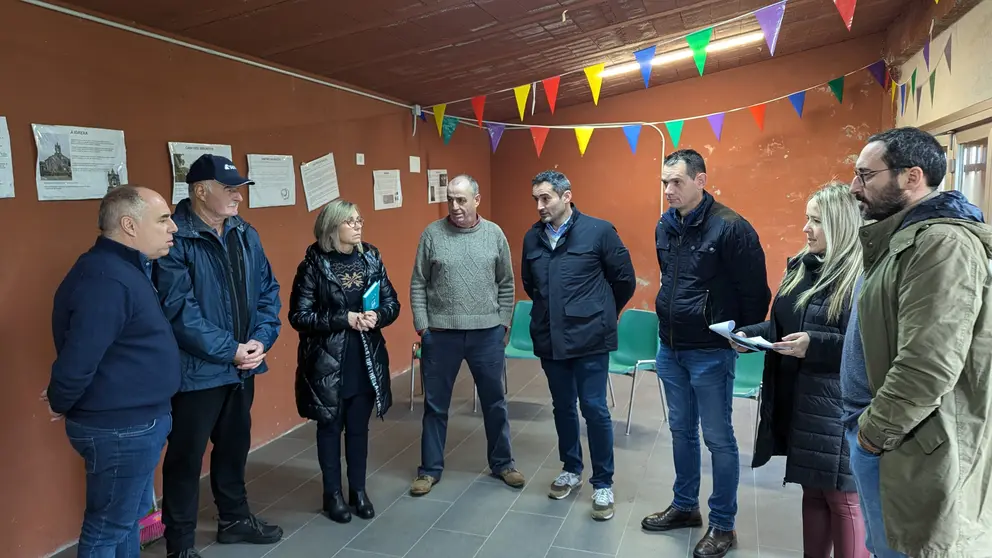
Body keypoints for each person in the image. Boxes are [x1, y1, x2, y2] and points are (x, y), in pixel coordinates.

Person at [843, 127, 992, 557]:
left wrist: (873, 434)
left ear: (911, 178)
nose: (855, 187)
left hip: (905, 442)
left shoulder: (942, 244)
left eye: (865, 175)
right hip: (887, 436)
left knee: (901, 549)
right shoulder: (902, 237)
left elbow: (927, 366)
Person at [642, 149, 771, 558]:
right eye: (664, 182)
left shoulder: (732, 229)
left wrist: (745, 336)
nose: (668, 190)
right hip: (671, 347)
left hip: (711, 352)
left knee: (718, 438)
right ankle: (684, 507)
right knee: (680, 432)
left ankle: (723, 524)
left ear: (701, 181)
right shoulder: (666, 224)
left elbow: (756, 292)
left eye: (676, 181)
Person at [154, 154, 283, 558]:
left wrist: (261, 341)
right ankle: (180, 543)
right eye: (229, 189)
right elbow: (179, 309)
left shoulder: (246, 233)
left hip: (242, 366)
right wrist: (230, 350)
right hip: (198, 371)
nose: (238, 197)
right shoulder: (175, 238)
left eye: (239, 189)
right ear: (199, 191)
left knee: (233, 446)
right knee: (186, 458)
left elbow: (268, 291)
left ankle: (235, 520)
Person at [733, 183, 868, 558]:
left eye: (816, 221)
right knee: (813, 490)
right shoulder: (803, 266)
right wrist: (750, 335)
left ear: (840, 225)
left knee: (843, 500)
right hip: (801, 399)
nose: (805, 229)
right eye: (806, 219)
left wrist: (815, 344)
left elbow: (871, 348)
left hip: (835, 406)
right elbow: (783, 326)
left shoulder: (861, 276)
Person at [45, 186, 180, 557]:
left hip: (135, 423)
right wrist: (61, 397)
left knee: (125, 523)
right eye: (163, 219)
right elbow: (80, 356)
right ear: (129, 225)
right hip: (122, 428)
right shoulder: (107, 279)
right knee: (107, 529)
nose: (174, 228)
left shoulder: (124, 268)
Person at [520, 170, 635, 521]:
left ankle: (603, 483)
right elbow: (530, 284)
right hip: (550, 338)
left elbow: (624, 281)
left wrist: (601, 313)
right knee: (562, 406)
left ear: (566, 196)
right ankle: (571, 468)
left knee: (594, 408)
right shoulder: (532, 238)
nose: (540, 206)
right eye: (536, 199)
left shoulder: (599, 231)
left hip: (590, 338)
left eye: (546, 198)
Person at [409, 174, 524, 495]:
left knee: (495, 403)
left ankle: (503, 463)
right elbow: (418, 282)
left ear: (476, 200)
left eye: (462, 199)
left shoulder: (494, 234)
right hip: (441, 334)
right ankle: (429, 470)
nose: (455, 206)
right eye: (450, 200)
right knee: (435, 407)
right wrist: (423, 325)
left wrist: (502, 323)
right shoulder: (432, 235)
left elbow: (506, 282)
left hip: (486, 334)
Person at [289, 200, 400, 523]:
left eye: (359, 219)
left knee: (358, 430)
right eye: (350, 221)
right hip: (327, 364)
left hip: (365, 359)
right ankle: (332, 495)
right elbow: (299, 316)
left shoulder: (371, 257)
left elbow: (391, 302)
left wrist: (377, 315)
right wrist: (344, 318)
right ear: (332, 228)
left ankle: (358, 491)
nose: (358, 225)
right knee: (329, 429)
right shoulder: (313, 265)